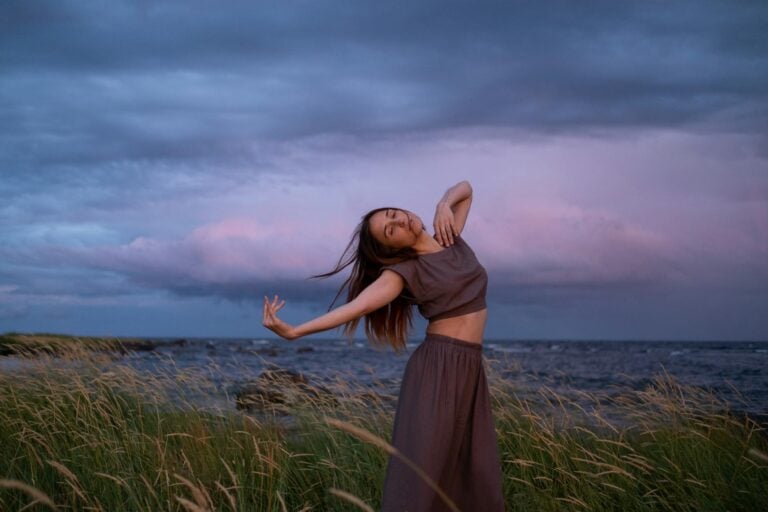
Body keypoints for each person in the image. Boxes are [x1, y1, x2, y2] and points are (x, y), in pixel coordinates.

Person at [262, 180, 505, 511]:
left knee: (473, 471)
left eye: (394, 214)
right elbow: (358, 307)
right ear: (393, 250)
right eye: (391, 230)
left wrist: (443, 204)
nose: (400, 221)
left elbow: (467, 189)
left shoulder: (449, 238)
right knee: (422, 475)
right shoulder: (403, 272)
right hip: (438, 369)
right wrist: (294, 332)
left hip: (470, 367)